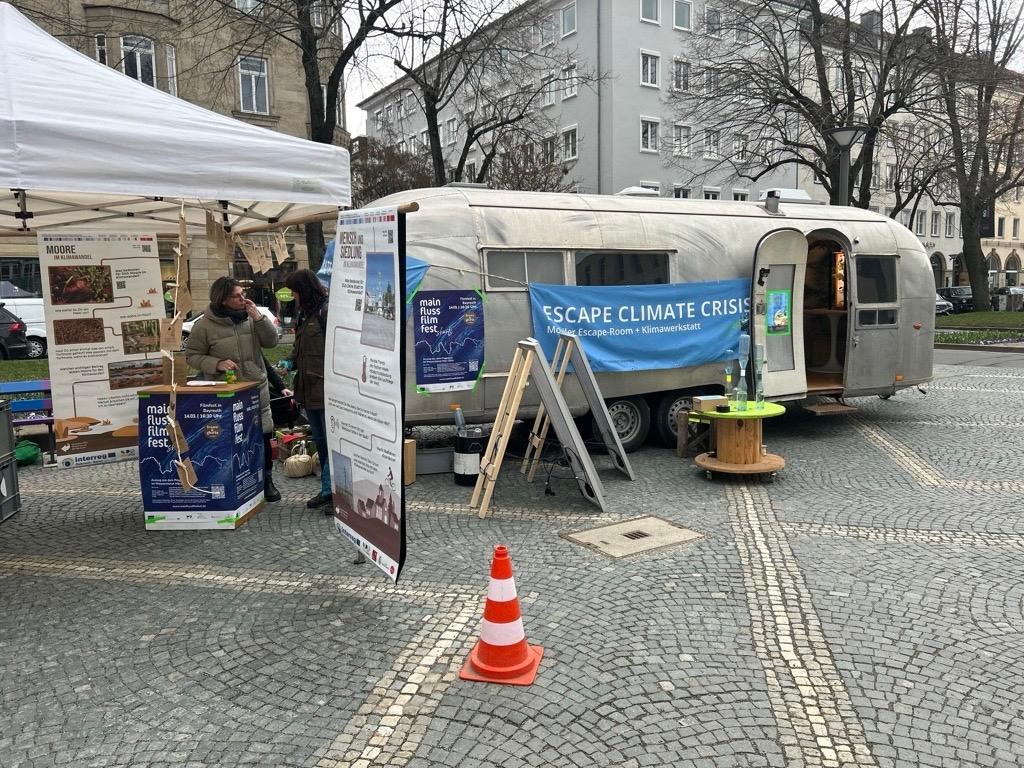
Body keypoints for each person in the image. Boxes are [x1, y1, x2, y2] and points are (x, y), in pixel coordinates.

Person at [185, 277, 282, 502]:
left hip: (256, 388)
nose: (243, 298)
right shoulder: (204, 325)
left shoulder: (251, 319)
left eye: (242, 293)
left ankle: (266, 479)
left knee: (263, 435)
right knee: (231, 438)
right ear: (223, 299)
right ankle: (233, 480)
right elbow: (192, 356)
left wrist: (258, 317)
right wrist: (216, 364)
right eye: (236, 296)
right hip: (225, 392)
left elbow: (272, 342)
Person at [283, 269, 332, 511]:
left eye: (294, 290)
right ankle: (327, 489)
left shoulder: (326, 310)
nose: (292, 295)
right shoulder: (305, 314)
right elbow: (299, 347)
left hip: (327, 390)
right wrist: (289, 361)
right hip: (308, 390)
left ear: (304, 290)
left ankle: (337, 494)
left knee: (332, 444)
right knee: (321, 443)